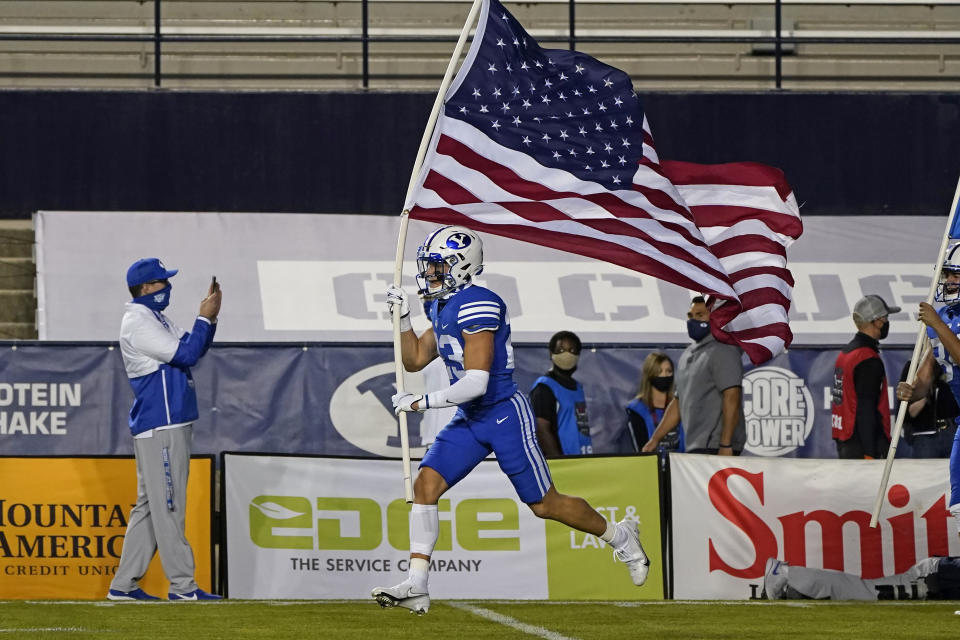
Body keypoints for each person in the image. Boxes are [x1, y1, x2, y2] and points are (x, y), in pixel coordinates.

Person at [371, 225, 650, 615]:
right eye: (428, 266)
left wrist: (422, 402)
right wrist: (401, 320)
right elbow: (415, 358)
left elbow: (477, 381)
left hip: (502, 413)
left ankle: (621, 537)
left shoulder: (480, 303)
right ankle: (417, 583)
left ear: (461, 267)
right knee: (426, 485)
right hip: (471, 416)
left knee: (545, 504)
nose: (429, 274)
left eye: (437, 267)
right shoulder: (441, 304)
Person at [107, 258, 222, 602]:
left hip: (166, 422)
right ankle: (183, 587)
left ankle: (123, 585)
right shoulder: (138, 321)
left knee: (150, 506)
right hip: (162, 424)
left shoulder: (153, 317)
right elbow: (185, 354)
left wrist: (210, 318)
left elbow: (195, 349)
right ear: (146, 288)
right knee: (169, 507)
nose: (167, 287)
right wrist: (203, 317)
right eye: (161, 282)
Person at [898, 244, 960, 531]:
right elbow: (927, 373)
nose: (948, 280)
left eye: (955, 275)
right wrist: (913, 391)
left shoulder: (940, 320)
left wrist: (937, 322)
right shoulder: (944, 317)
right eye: (947, 273)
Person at [641, 296, 744, 455]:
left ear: (715, 317)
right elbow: (678, 402)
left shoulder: (724, 350)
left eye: (700, 315)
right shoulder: (688, 354)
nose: (693, 320)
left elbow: (732, 396)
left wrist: (726, 444)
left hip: (717, 446)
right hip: (696, 445)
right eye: (690, 316)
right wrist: (655, 439)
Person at [830, 294, 900, 459]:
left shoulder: (846, 353)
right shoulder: (867, 359)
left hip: (846, 439)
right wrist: (870, 451)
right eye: (886, 318)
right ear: (876, 321)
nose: (887, 322)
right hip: (862, 446)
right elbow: (866, 409)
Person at [761, 556, 960, 600]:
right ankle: (784, 573)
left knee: (867, 593)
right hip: (937, 576)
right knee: (868, 593)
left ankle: (792, 580)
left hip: (943, 577)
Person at [529, 330, 593, 456]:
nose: (567, 355)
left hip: (582, 460)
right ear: (551, 353)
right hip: (564, 463)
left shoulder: (577, 387)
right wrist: (560, 461)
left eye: (572, 350)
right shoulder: (544, 387)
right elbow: (541, 429)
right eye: (561, 350)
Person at [898, 360, 959, 458]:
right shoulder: (913, 366)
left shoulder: (951, 364)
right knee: (924, 471)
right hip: (924, 436)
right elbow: (905, 411)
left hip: (952, 431)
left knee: (954, 470)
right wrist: (924, 391)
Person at [626, 351, 684, 453]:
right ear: (649, 375)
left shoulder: (681, 404)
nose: (664, 375)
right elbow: (641, 448)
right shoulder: (636, 408)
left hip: (681, 464)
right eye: (659, 372)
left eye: (668, 371)